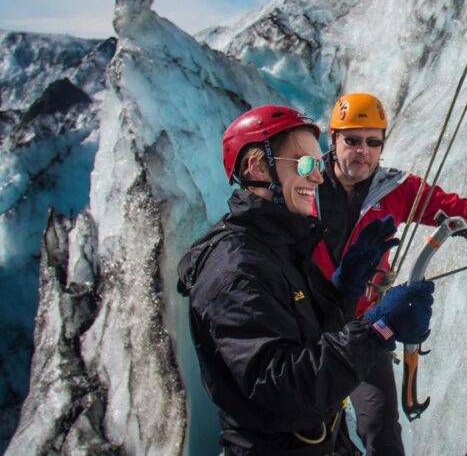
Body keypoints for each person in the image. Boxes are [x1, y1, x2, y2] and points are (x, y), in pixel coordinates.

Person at [312, 93, 467, 455]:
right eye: (352, 140)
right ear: (333, 139)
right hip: (305, 326)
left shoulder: (396, 190)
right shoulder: (305, 188)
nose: (362, 151)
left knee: (381, 430)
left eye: (373, 142)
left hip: (362, 328)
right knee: (311, 430)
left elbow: (461, 212)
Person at [177, 104, 435, 455]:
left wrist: (345, 293)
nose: (318, 176)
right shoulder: (235, 270)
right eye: (305, 164)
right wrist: (379, 329)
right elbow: (282, 385)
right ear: (257, 167)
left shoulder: (277, 245)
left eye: (318, 163)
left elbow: (309, 338)